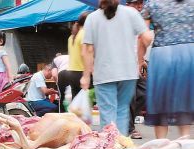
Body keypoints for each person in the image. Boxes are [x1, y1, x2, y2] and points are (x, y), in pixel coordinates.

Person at [81, 0, 149, 135]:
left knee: (107, 111)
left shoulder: (92, 18)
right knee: (123, 110)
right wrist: (140, 58)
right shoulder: (131, 13)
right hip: (128, 72)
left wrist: (86, 76)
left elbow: (87, 50)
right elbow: (146, 38)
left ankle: (109, 147)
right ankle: (121, 146)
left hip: (104, 72)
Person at [141, 0, 192, 138]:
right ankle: (185, 144)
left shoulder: (152, 4)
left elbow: (145, 38)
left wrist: (140, 59)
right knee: (185, 100)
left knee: (160, 102)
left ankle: (160, 145)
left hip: (162, 54)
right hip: (189, 53)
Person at [126, 0, 146, 139]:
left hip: (138, 62)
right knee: (131, 96)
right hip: (126, 63)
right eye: (136, 3)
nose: (139, 6)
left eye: (141, 3)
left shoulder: (140, 19)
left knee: (144, 92)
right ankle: (130, 128)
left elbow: (140, 41)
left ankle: (127, 123)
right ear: (128, 4)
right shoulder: (123, 18)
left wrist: (141, 60)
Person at [67, 12, 89, 106]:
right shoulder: (84, 34)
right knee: (87, 102)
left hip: (72, 72)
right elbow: (85, 54)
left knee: (76, 102)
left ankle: (76, 120)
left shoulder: (71, 37)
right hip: (81, 72)